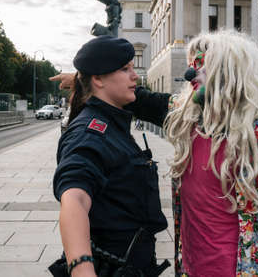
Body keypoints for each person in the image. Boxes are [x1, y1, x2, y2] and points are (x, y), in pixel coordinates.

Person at [51, 30, 258, 276]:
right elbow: (137, 98)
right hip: (190, 268)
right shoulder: (188, 117)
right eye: (191, 65)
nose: (191, 74)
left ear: (227, 73)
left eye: (201, 65)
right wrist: (84, 79)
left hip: (241, 270)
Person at [51, 35, 171, 277]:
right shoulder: (90, 132)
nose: (135, 75)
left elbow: (151, 103)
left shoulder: (111, 119)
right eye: (125, 69)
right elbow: (75, 198)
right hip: (113, 266)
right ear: (98, 79)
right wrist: (82, 268)